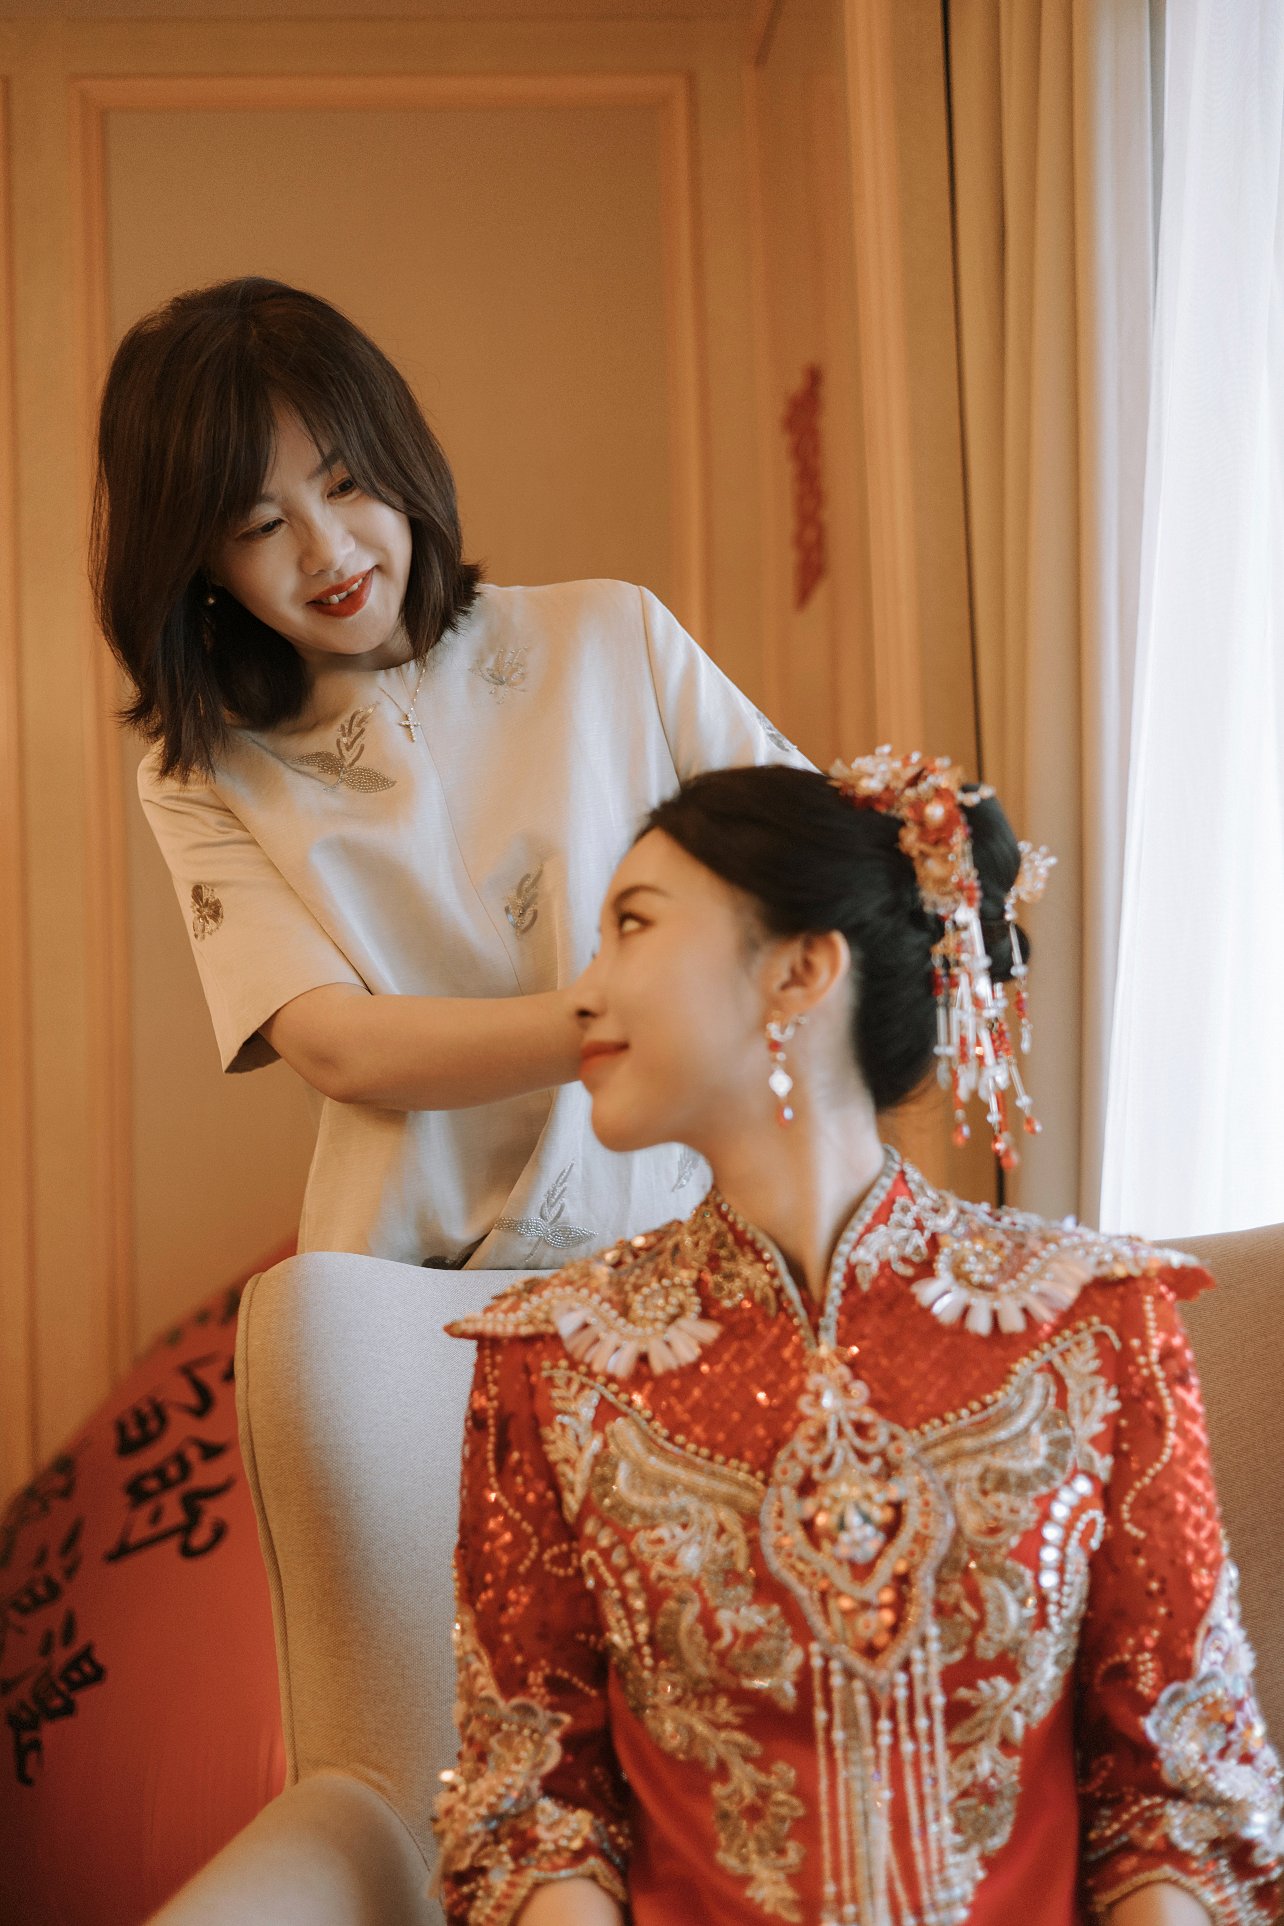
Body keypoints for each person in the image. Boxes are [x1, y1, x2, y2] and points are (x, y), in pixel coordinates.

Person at [437, 756, 1283, 1926]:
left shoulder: (1097, 1322)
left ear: (799, 971)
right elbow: (534, 1805)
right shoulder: (555, 1359)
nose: (583, 996)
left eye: (631, 926)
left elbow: (1176, 1796)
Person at [93, 276, 806, 1270]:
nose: (327, 550)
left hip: (698, 1247)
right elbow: (340, 1048)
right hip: (419, 1292)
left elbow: (814, 852)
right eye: (260, 526)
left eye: (346, 484)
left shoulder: (613, 635)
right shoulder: (203, 777)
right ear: (200, 562)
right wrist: (637, 1014)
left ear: (398, 458)